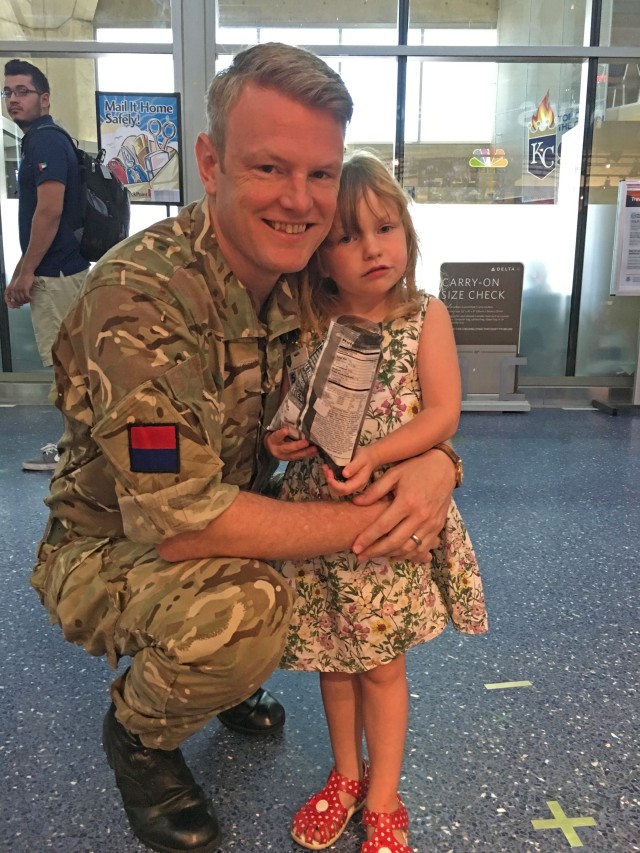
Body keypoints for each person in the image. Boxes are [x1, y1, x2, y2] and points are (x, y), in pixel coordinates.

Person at [31, 44, 460, 853]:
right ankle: (142, 737)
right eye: (269, 168)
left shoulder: (304, 278)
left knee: (276, 580)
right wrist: (390, 523)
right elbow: (185, 525)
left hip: (243, 509)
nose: (300, 202)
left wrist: (439, 464)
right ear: (211, 162)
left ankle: (226, 677)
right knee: (248, 610)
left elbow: (407, 396)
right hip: (114, 541)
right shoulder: (139, 302)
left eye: (321, 175)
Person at [266, 151, 488, 853]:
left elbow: (444, 412)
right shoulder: (308, 322)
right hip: (319, 521)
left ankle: (385, 793)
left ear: (408, 236)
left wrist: (380, 455)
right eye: (348, 236)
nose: (372, 249)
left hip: (390, 519)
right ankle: (345, 774)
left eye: (385, 229)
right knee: (335, 659)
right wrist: (282, 440)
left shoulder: (426, 316)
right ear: (319, 257)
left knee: (384, 665)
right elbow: (287, 411)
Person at [2, 59, 90, 471]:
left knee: (67, 367)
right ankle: (76, 443)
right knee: (71, 364)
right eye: (8, 92)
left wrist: (25, 271)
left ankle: (77, 451)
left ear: (44, 98)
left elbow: (49, 212)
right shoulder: (39, 139)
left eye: (22, 91)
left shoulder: (45, 142)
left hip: (55, 274)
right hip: (59, 271)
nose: (13, 99)